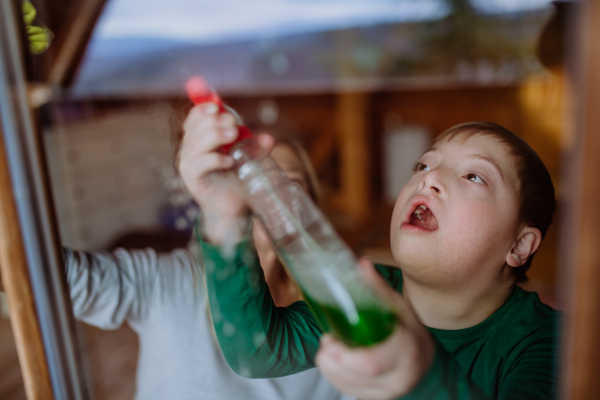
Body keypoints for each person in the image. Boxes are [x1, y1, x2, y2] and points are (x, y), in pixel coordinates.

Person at [179, 103, 560, 400]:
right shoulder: (368, 291)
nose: (429, 177)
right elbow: (258, 351)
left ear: (519, 245)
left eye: (474, 175)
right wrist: (224, 218)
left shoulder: (551, 342)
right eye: (424, 163)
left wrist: (416, 377)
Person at [65, 118, 353, 400]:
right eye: (250, 177)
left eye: (289, 182)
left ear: (311, 206)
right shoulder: (170, 280)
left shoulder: (335, 310)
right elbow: (60, 279)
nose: (269, 192)